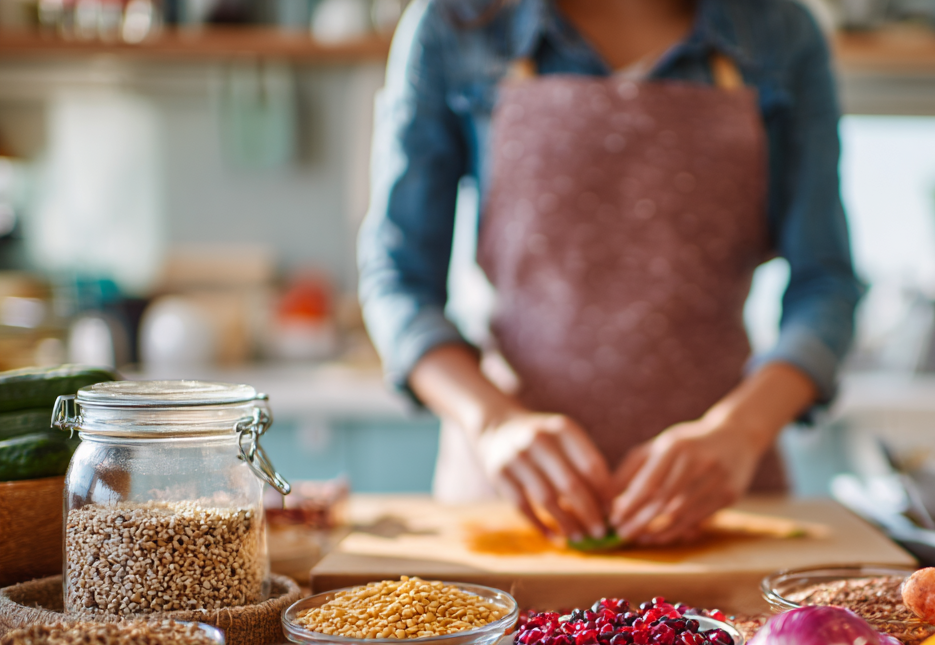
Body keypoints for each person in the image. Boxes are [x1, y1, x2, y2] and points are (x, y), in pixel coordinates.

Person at [359, 0, 862, 546]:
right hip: (510, 510)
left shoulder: (780, 33)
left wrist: (743, 430)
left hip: (721, 507)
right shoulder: (456, 24)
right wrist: (492, 423)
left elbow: (826, 283)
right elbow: (398, 276)